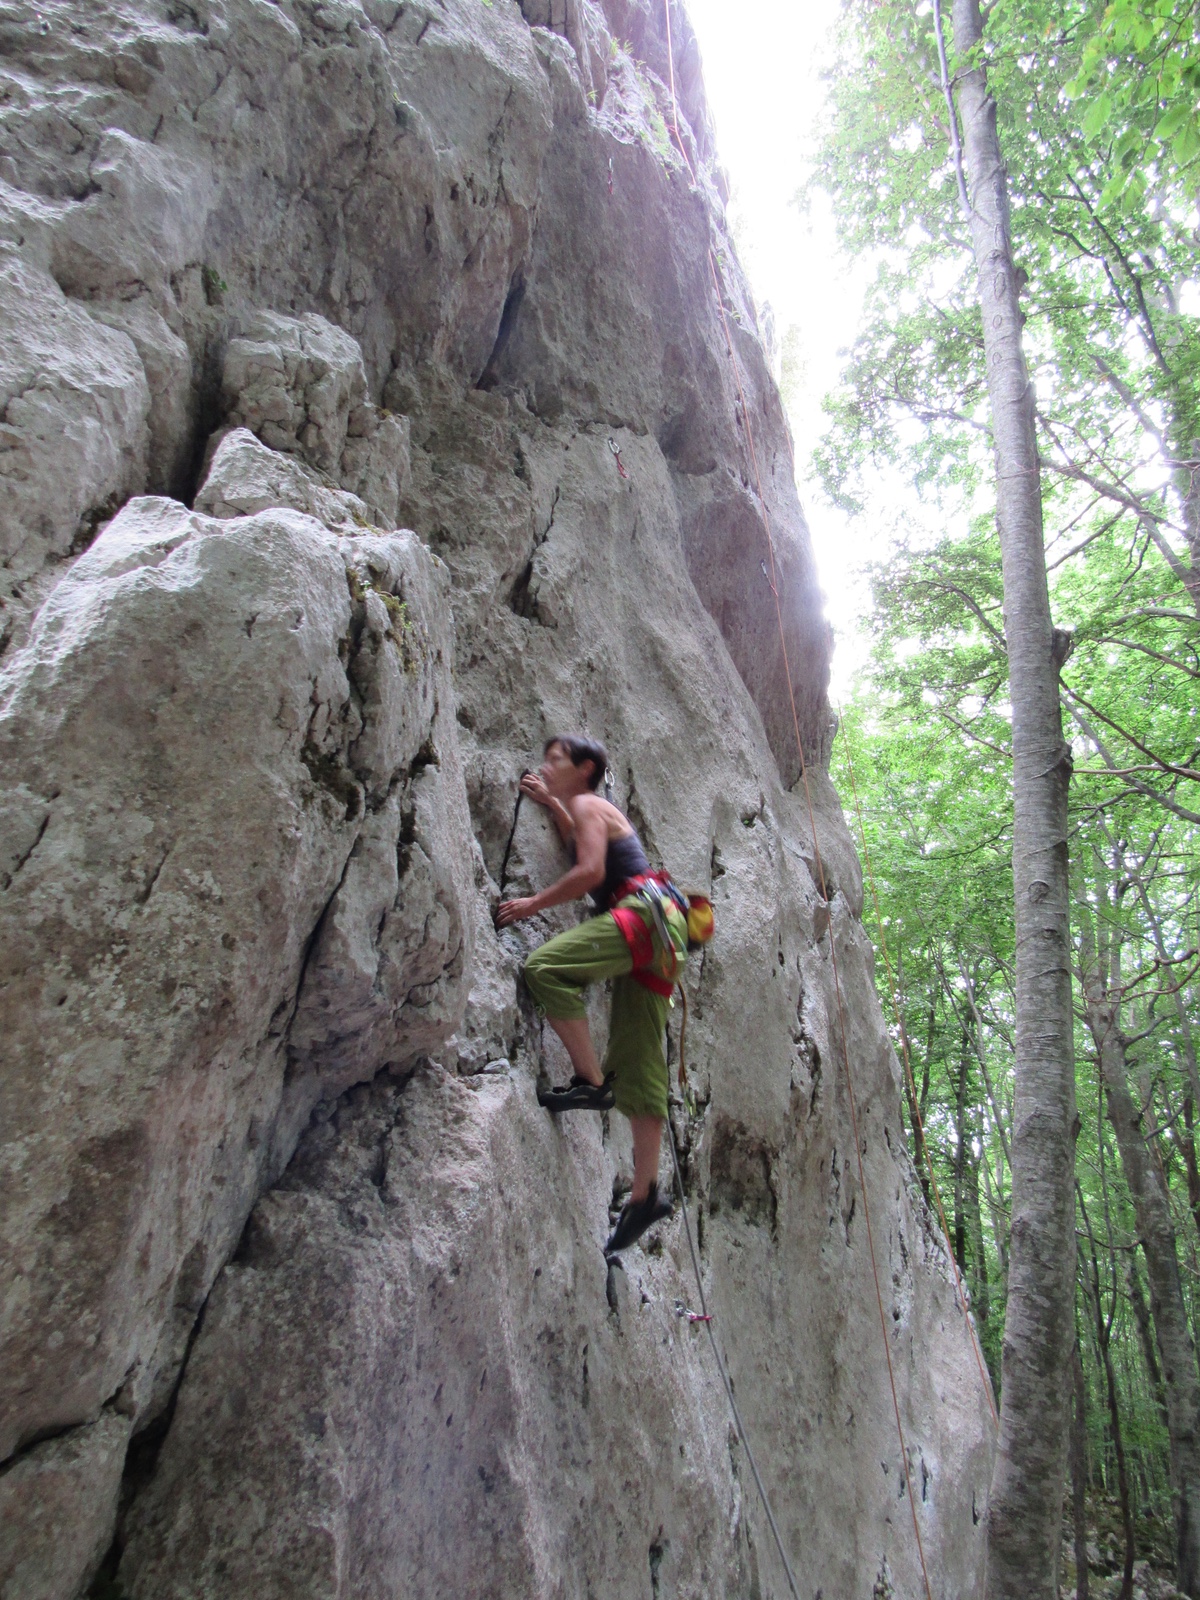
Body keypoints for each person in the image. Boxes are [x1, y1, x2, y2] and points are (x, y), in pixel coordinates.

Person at [496, 735, 688, 1255]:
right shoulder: (586, 807)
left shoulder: (587, 801)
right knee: (641, 1064)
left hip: (641, 915)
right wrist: (553, 804)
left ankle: (591, 1082)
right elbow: (586, 846)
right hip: (666, 930)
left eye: (556, 759)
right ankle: (645, 1195)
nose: (545, 764)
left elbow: (590, 872)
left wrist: (532, 903)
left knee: (546, 968)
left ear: (585, 768)